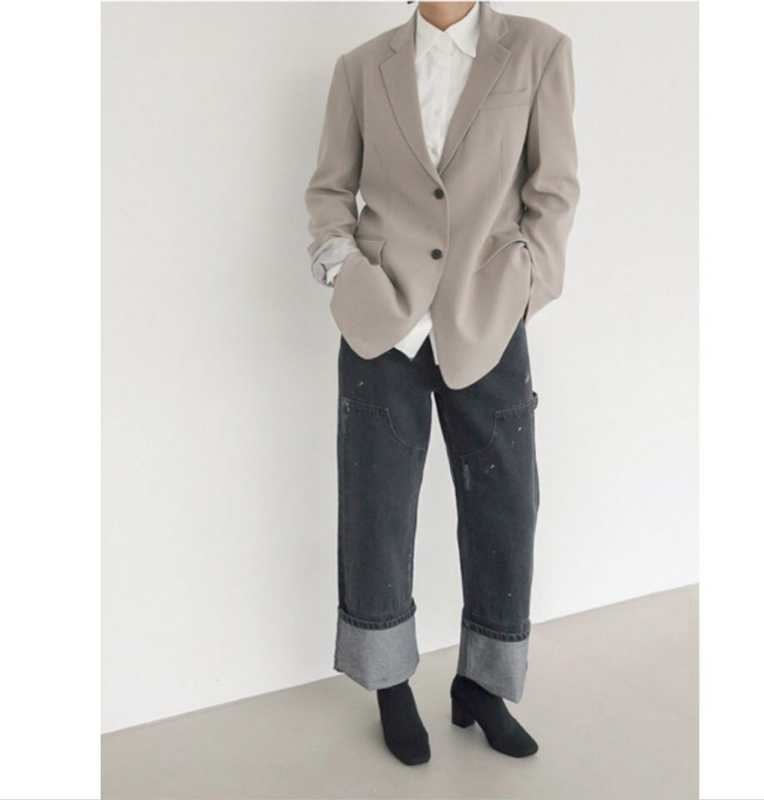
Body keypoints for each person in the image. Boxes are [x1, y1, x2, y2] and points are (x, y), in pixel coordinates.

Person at [305, 0, 578, 766]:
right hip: (381, 319)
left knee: (505, 505)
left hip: (487, 315)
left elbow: (554, 188)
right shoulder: (361, 68)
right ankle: (389, 680)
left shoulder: (539, 51)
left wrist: (527, 286)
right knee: (377, 505)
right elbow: (329, 192)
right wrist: (346, 273)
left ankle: (483, 685)